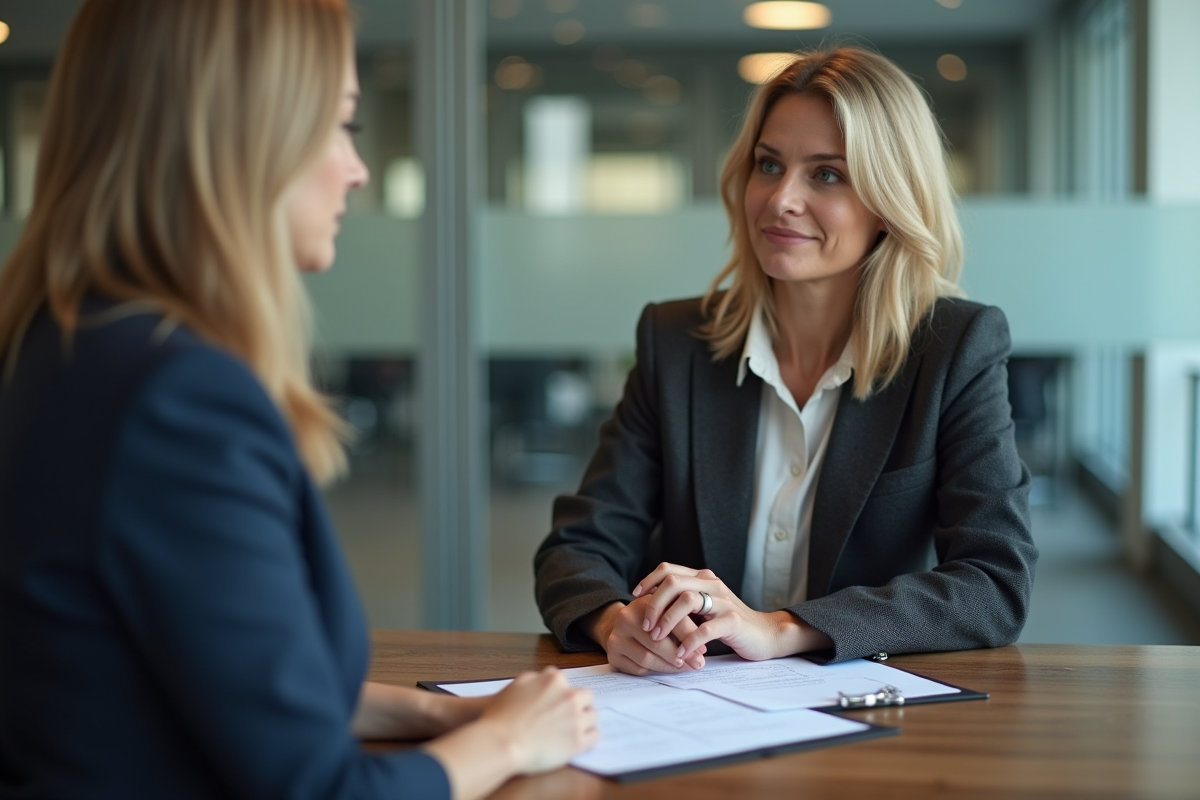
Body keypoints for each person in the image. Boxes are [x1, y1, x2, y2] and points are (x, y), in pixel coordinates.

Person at [0, 1, 596, 798]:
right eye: (342, 124)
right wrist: (506, 742)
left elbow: (200, 682)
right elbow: (317, 789)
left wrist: (433, 719)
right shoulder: (179, 397)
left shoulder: (61, 345)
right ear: (243, 135)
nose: (359, 168)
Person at [534, 47, 1039, 675]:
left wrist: (780, 628)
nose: (779, 200)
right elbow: (579, 545)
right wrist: (616, 622)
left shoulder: (954, 347)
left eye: (826, 174)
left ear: (889, 201)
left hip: (863, 715)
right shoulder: (676, 340)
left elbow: (994, 583)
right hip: (692, 702)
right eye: (768, 165)